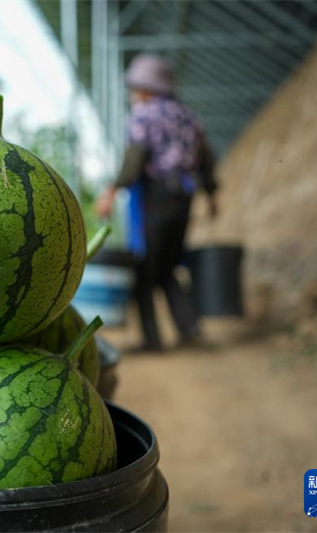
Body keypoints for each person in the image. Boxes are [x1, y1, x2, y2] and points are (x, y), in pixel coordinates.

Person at [94, 54, 218, 352]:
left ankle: (152, 340)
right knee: (169, 266)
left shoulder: (143, 115)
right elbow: (206, 158)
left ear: (146, 88)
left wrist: (112, 190)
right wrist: (211, 194)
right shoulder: (188, 116)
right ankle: (190, 330)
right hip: (183, 197)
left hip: (156, 197)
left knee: (146, 268)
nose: (133, 93)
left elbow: (136, 157)